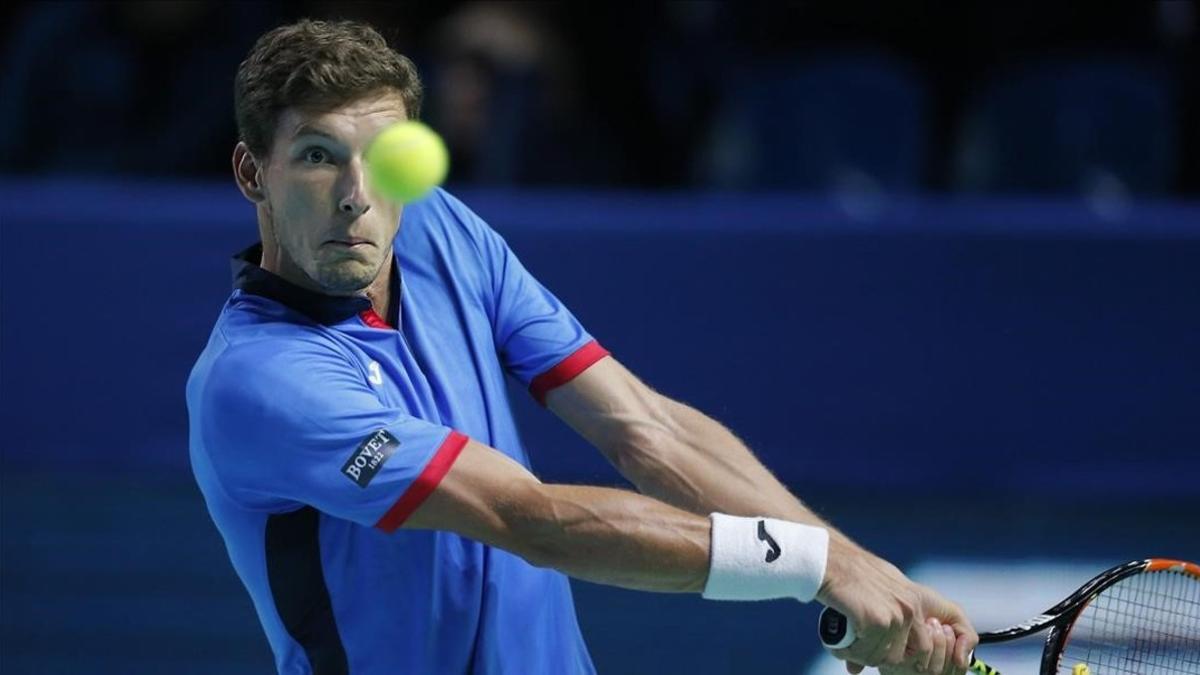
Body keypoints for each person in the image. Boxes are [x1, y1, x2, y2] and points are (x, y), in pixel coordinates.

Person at [187, 19, 978, 675]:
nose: (359, 194)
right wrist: (815, 567)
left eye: (384, 159)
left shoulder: (440, 232)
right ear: (252, 172)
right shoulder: (260, 381)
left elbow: (643, 428)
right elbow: (530, 517)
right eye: (318, 156)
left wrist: (855, 567)